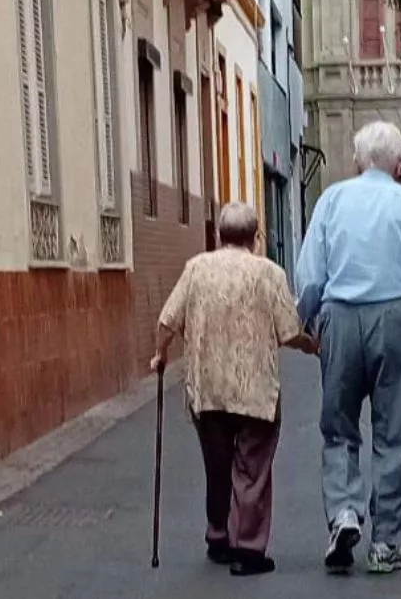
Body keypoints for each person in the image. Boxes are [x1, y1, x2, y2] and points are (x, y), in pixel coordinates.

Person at [295, 120, 401, 575]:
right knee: (394, 433)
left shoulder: (331, 200)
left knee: (338, 427)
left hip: (341, 317)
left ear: (356, 161)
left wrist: (308, 322)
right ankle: (385, 542)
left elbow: (311, 276)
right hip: (396, 320)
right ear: (400, 162)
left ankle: (344, 514)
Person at [152, 202, 318, 577]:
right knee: (252, 470)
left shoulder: (196, 269)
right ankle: (249, 550)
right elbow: (289, 332)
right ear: (256, 238)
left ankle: (218, 537)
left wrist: (159, 354)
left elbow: (167, 320)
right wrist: (312, 345)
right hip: (255, 390)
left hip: (207, 389)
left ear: (217, 236)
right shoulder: (269, 273)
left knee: (217, 466)